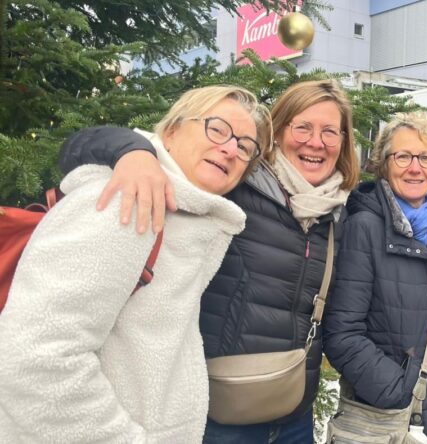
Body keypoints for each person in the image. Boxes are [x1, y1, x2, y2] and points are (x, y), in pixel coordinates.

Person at [55, 79, 360, 443]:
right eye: (303, 127)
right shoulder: (234, 185)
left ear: (343, 142)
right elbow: (81, 146)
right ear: (277, 132)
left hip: (293, 413)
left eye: (330, 132)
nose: (315, 142)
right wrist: (132, 152)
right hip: (219, 414)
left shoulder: (340, 212)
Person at [0, 85, 268, 442]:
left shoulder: (186, 219)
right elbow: (36, 358)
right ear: (171, 130)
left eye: (245, 146)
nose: (231, 148)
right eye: (216, 129)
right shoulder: (126, 201)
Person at [323, 113, 427, 443]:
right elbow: (342, 333)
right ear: (384, 164)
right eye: (403, 156)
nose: (415, 168)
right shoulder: (364, 228)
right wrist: (397, 390)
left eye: (425, 157)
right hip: (401, 417)